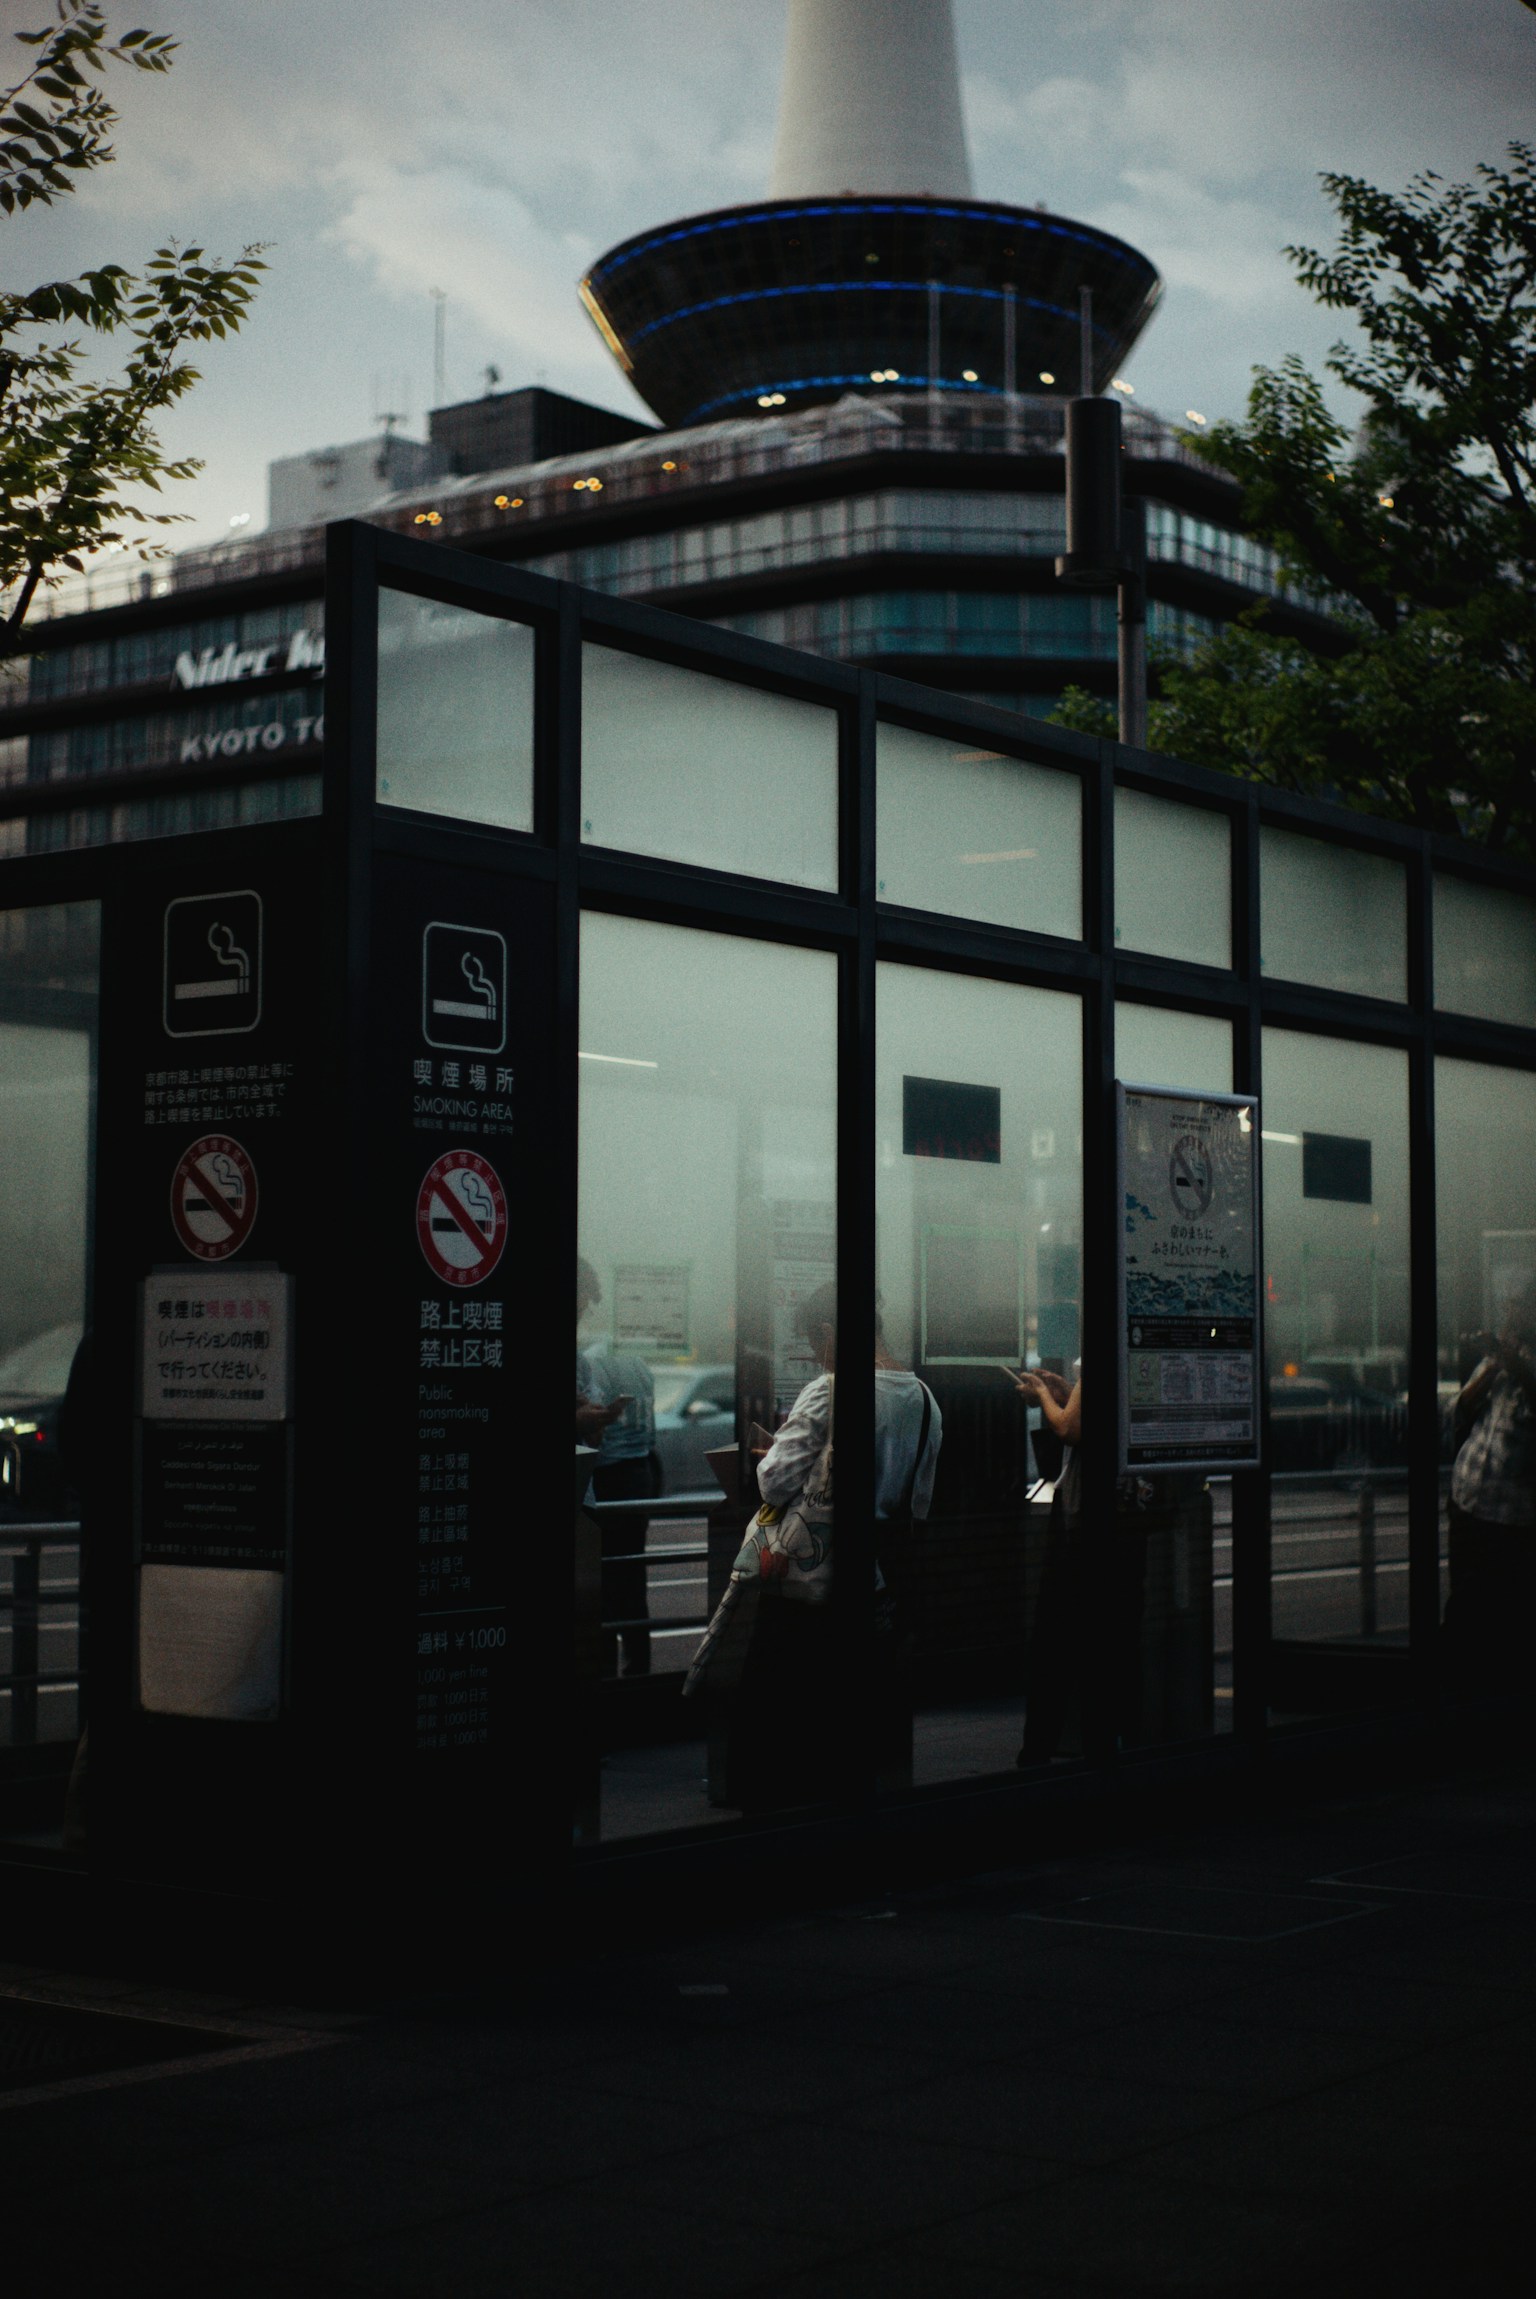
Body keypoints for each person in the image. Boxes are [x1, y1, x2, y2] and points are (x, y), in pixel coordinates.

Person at [738, 1284, 941, 1806]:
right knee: (858, 1707)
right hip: (881, 1582)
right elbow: (918, 1501)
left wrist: (776, 1450)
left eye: (814, 1342)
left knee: (785, 1705)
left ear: (828, 1333)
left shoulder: (829, 1390)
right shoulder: (924, 1398)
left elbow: (773, 1483)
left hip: (814, 1579)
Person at [1012, 1366, 1148, 1763]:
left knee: (1054, 1645)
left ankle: (1037, 1752)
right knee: (1119, 1642)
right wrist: (1067, 1393)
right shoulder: (1131, 1359)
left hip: (1086, 1522)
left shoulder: (1104, 1354)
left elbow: (1071, 1429)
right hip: (1128, 1519)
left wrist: (1045, 1397)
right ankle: (1119, 1740)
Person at [1444, 1284, 1536, 1690]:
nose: (1509, 1314)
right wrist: (1495, 1365)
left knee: (1497, 1610)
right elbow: (1459, 1409)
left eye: (1516, 1307)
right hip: (1468, 1498)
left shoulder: (1524, 1363)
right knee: (1464, 1598)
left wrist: (1513, 1362)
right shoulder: (1500, 1359)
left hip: (1511, 1514)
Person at [575, 1258, 657, 1677]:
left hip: (604, 1474)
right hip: (639, 1471)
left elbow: (592, 1426)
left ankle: (603, 1665)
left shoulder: (591, 1356)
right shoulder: (640, 1361)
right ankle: (639, 1664)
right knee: (632, 1574)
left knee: (602, 1575)